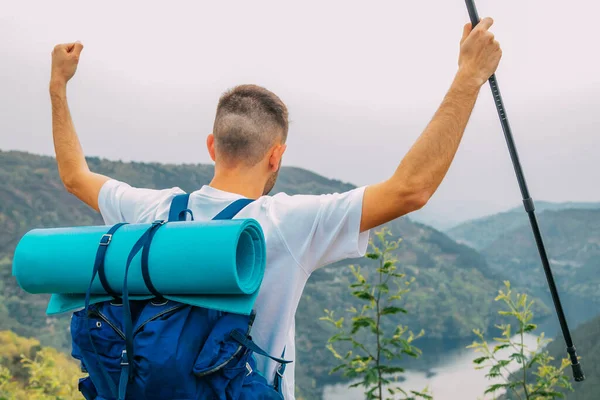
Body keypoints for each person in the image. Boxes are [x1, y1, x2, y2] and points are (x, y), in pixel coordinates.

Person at [49, 17, 501, 399]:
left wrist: (58, 85)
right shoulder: (283, 224)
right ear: (275, 155)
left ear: (212, 145)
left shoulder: (151, 211)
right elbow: (411, 189)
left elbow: (73, 177)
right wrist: (468, 77)